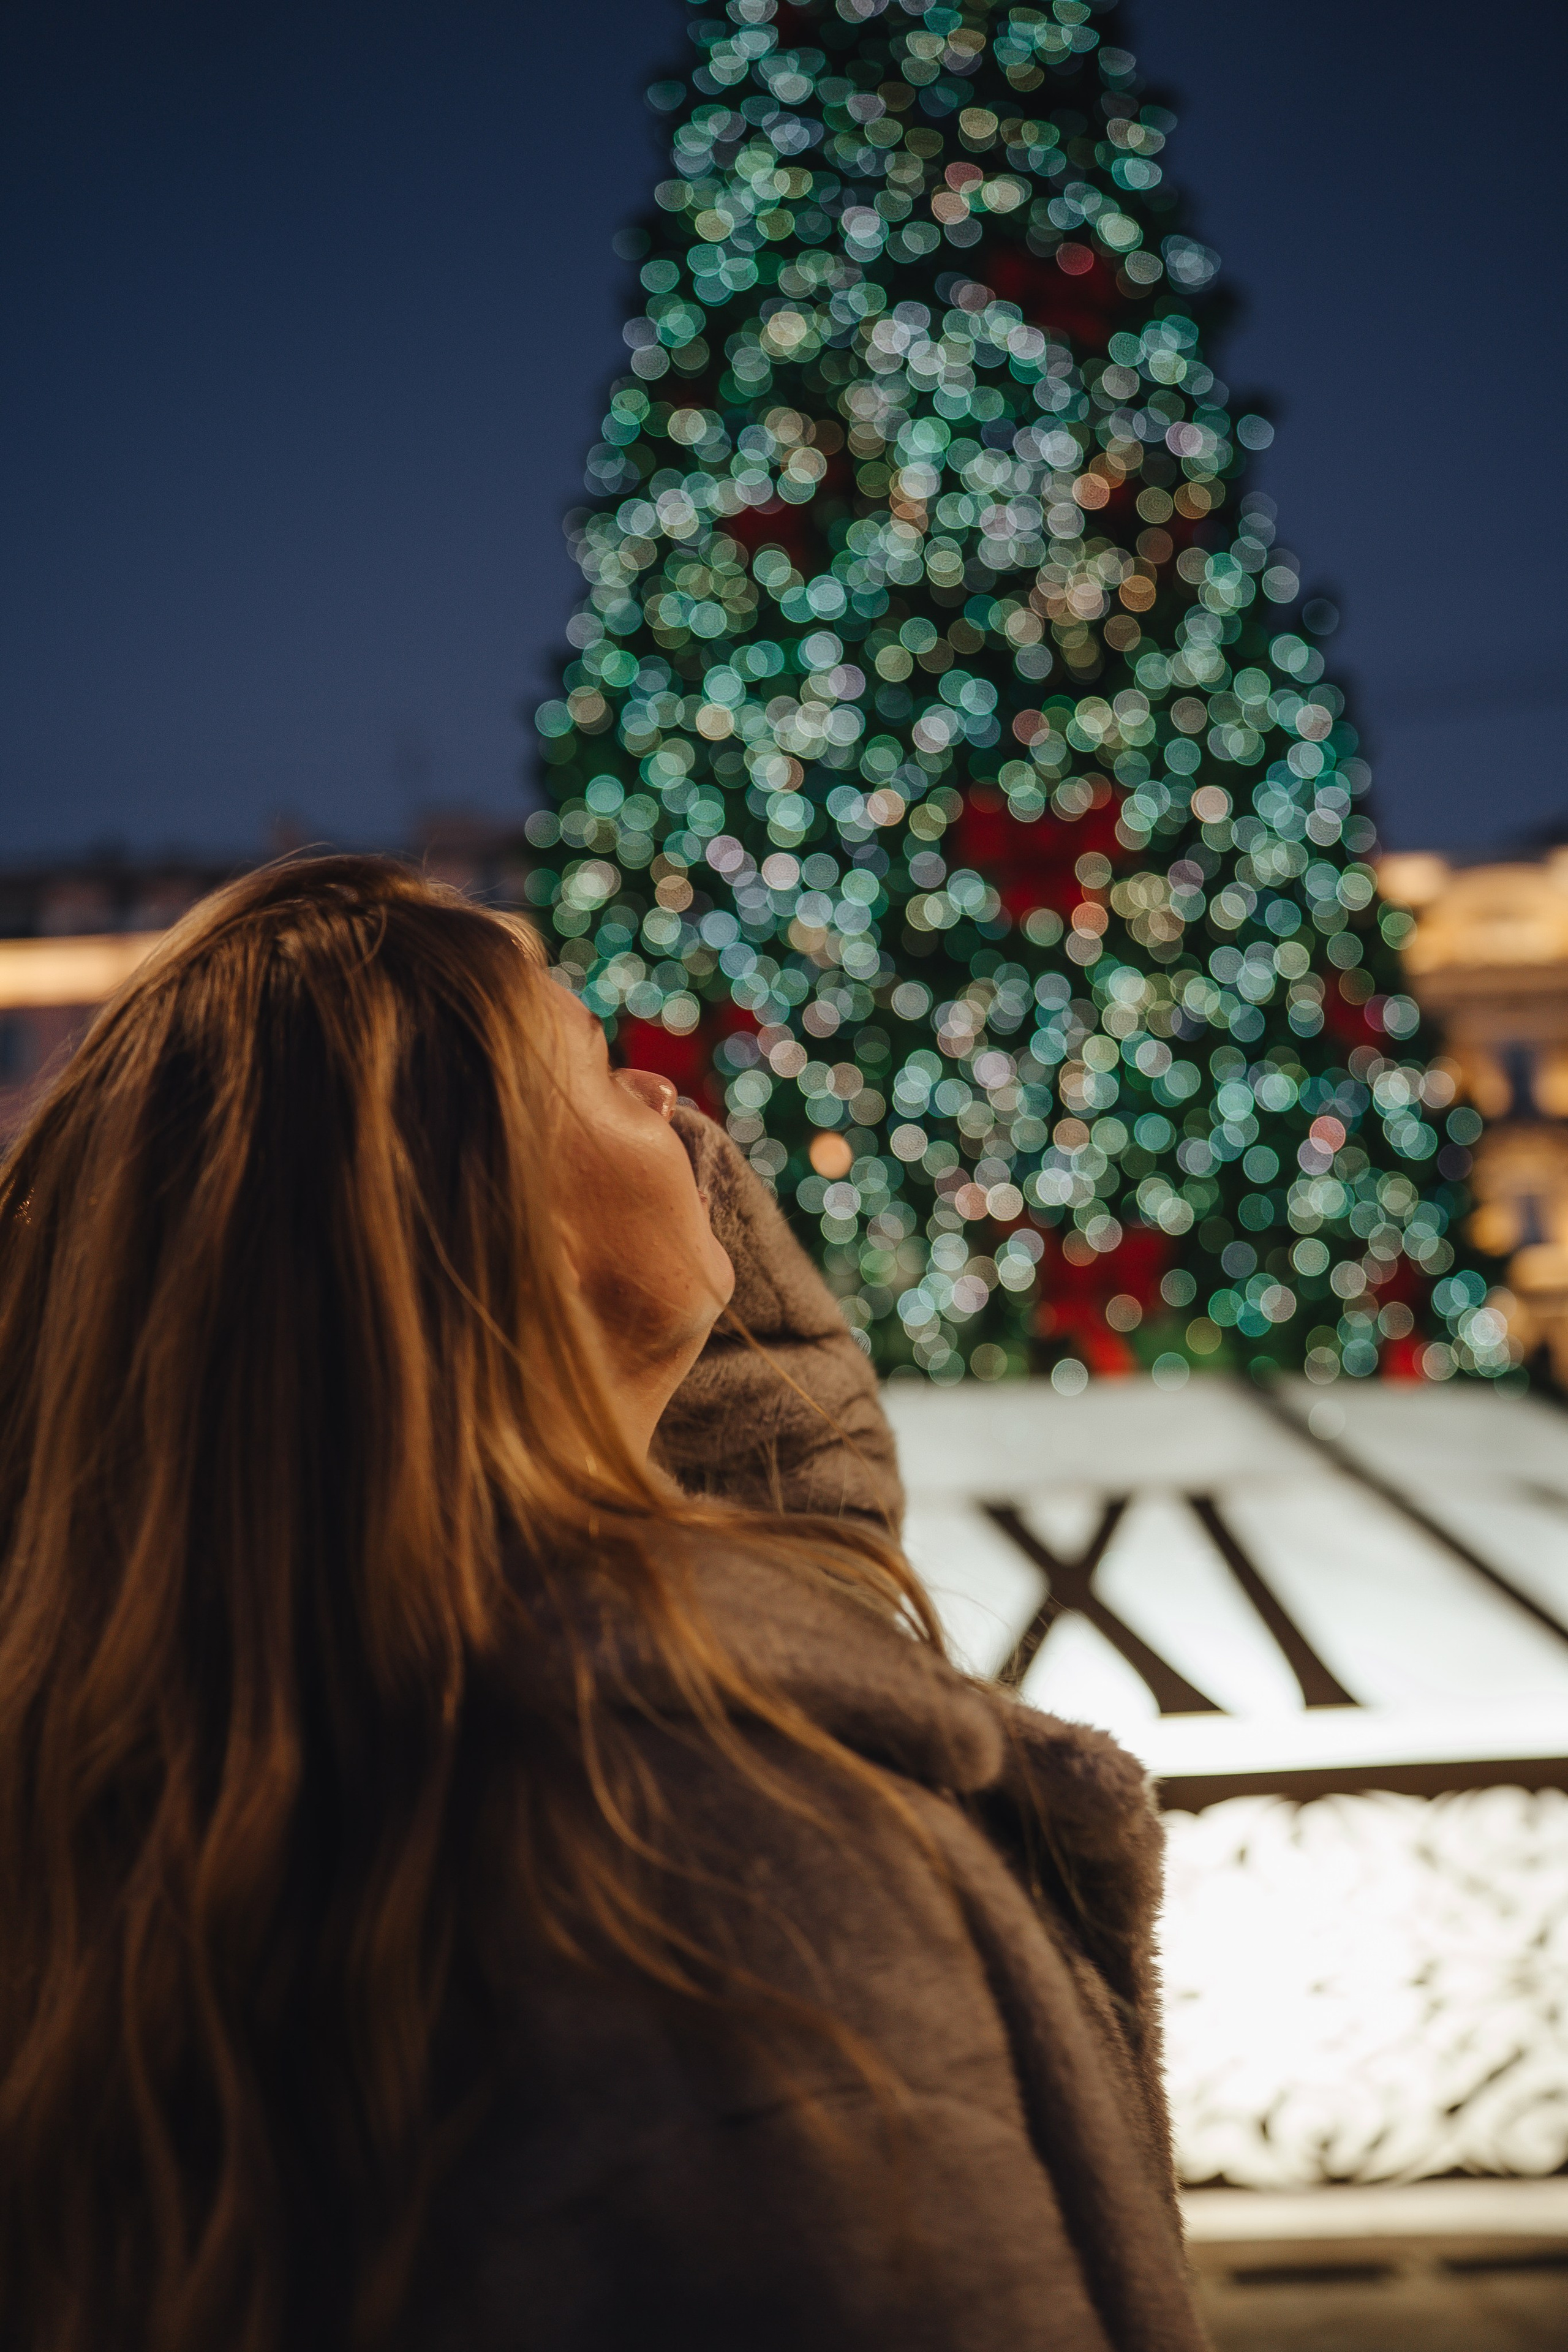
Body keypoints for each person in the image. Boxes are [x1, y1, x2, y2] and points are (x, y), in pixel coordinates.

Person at [0, 856, 1208, 2352]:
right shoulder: (703, 1840)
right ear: (472, 1211)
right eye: (595, 1060)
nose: (671, 1102)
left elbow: (801, 1552)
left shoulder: (262, 1783)